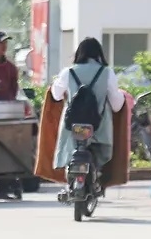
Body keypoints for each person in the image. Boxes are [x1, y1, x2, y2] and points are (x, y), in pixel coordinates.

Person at [50, 37, 125, 183]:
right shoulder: (107, 73)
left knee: (71, 148)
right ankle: (98, 176)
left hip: (73, 128)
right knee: (99, 155)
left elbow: (56, 95)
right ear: (99, 54)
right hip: (98, 128)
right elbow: (117, 106)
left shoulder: (68, 72)